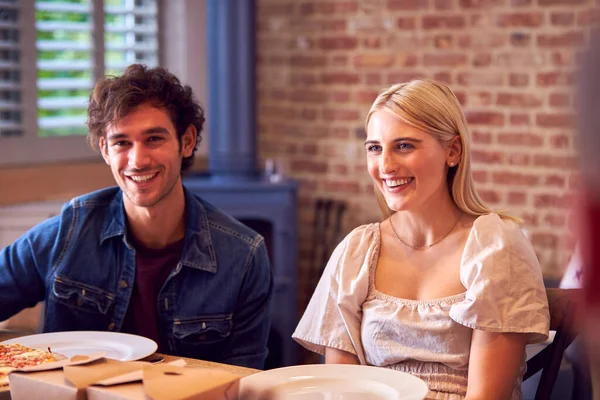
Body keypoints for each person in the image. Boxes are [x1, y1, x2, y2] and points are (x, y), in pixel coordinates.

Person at [0, 64, 272, 370]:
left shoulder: (243, 255)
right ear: (105, 149)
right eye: (121, 142)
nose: (138, 160)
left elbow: (244, 381)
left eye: (154, 139)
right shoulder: (69, 230)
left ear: (187, 141)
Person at [293, 79, 550, 399]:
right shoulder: (357, 252)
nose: (385, 166)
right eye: (375, 148)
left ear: (453, 151)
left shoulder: (495, 247)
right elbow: (342, 389)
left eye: (404, 146)